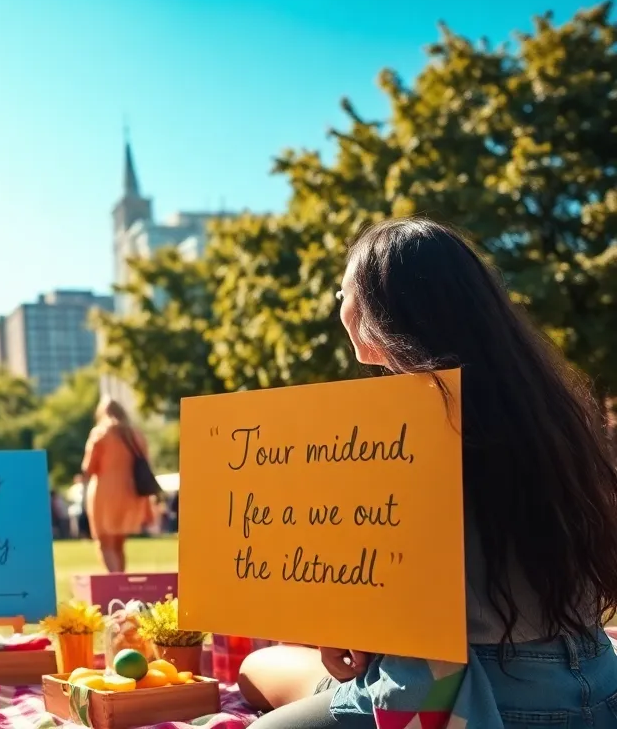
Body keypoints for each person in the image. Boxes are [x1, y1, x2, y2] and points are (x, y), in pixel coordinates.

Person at [238, 218, 617, 728]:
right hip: (595, 678)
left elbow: (409, 608)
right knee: (258, 666)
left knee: (264, 711)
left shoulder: (405, 427)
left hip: (473, 695)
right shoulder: (547, 409)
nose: (338, 307)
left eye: (341, 292)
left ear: (379, 308)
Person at [80, 398, 155, 573]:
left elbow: (88, 467)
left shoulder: (101, 433)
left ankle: (115, 583)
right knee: (119, 544)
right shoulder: (136, 434)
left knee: (104, 543)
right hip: (131, 494)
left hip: (105, 494)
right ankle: (122, 582)